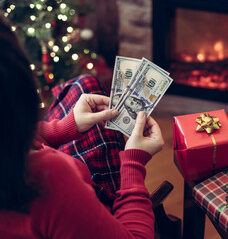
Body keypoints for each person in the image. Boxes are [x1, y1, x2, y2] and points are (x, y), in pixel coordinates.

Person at [0, 15, 164, 239]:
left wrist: (65, 127)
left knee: (85, 84)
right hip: (91, 205)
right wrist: (134, 161)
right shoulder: (47, 179)